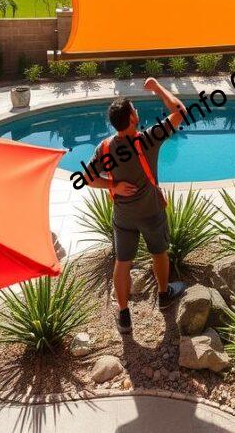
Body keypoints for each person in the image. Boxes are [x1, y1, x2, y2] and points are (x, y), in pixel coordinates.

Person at [85, 77, 187, 334]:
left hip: (124, 215)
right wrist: (158, 88)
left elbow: (87, 177)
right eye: (134, 110)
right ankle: (164, 296)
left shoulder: (106, 147)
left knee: (123, 262)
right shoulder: (148, 140)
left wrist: (112, 186)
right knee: (159, 253)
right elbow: (180, 112)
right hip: (151, 211)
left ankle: (124, 315)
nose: (137, 111)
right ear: (131, 119)